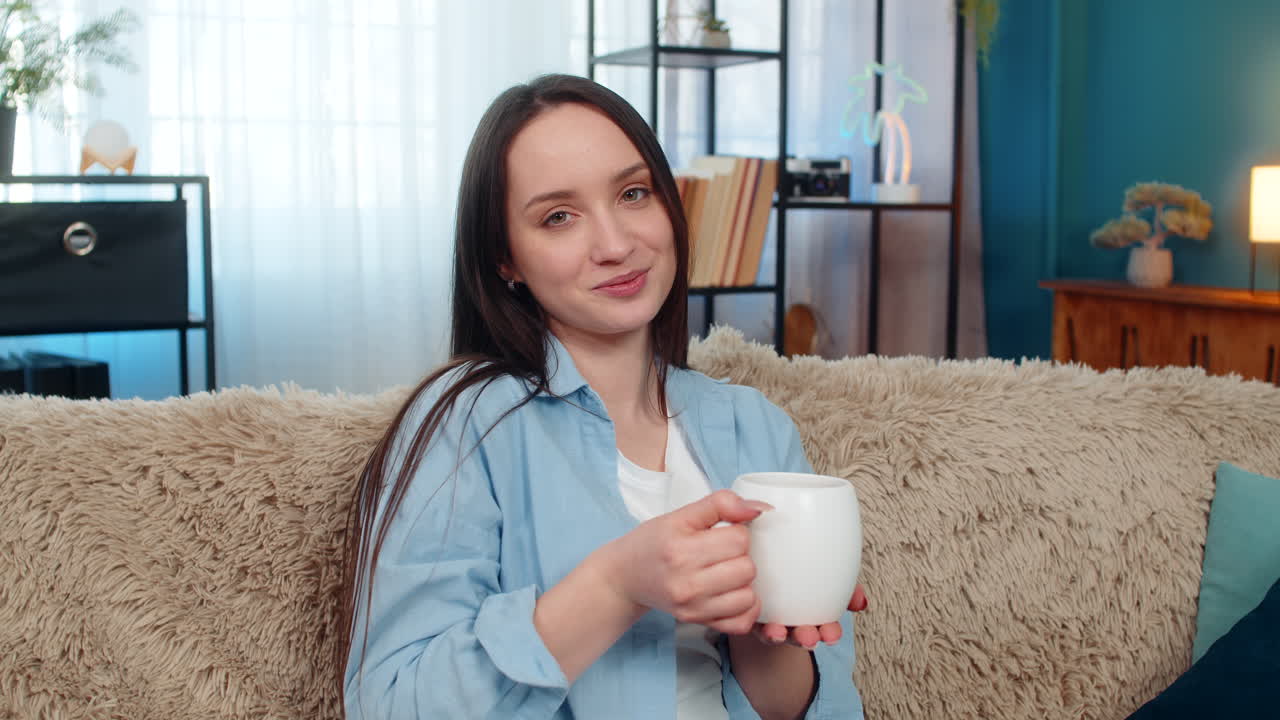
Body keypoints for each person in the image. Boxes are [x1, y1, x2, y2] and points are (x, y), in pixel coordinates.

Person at [337, 73, 867, 719]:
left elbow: (812, 708)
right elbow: (394, 704)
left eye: (633, 193)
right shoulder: (467, 423)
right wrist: (618, 585)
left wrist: (762, 621)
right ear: (505, 259)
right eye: (559, 217)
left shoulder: (756, 426)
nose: (617, 245)